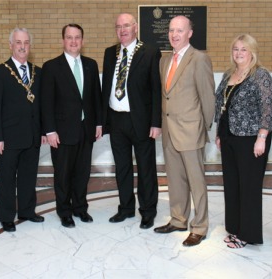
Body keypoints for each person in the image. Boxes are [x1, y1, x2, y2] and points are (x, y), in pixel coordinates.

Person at [153, 16, 215, 247]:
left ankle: (200, 226)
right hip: (170, 132)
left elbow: (208, 98)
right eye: (171, 30)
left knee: (196, 183)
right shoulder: (164, 61)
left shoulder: (199, 59)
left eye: (180, 30)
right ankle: (179, 219)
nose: (174, 34)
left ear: (190, 33)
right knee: (175, 181)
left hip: (191, 132)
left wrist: (203, 128)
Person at [213, 34, 272, 249]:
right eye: (235, 49)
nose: (238, 53)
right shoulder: (229, 74)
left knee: (248, 187)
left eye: (243, 49)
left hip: (250, 138)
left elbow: (268, 109)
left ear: (252, 52)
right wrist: (220, 134)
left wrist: (262, 138)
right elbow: (221, 106)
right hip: (229, 137)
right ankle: (235, 228)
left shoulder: (260, 75)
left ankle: (247, 234)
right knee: (232, 185)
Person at [102, 13, 162, 229]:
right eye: (118, 26)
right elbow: (105, 88)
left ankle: (148, 211)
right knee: (122, 167)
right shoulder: (110, 53)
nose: (122, 30)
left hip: (142, 121)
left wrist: (156, 123)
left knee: (146, 168)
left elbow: (156, 90)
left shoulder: (150, 52)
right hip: (116, 119)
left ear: (135, 27)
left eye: (126, 25)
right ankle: (126, 208)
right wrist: (102, 121)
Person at [41, 24, 102, 228]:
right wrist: (49, 130)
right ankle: (64, 211)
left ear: (82, 41)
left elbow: (96, 98)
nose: (73, 41)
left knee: (82, 173)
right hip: (62, 132)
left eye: (77, 38)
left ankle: (80, 208)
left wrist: (99, 123)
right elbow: (46, 102)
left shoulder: (91, 65)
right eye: (69, 37)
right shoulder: (51, 67)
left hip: (86, 130)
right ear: (63, 41)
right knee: (63, 174)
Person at [0, 28, 44, 232]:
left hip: (32, 136)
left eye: (26, 42)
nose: (22, 46)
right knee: (6, 179)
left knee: (29, 176)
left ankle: (27, 211)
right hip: (8, 138)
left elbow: (41, 106)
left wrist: (43, 131)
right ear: (11, 45)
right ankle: (6, 216)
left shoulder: (38, 71)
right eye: (18, 42)